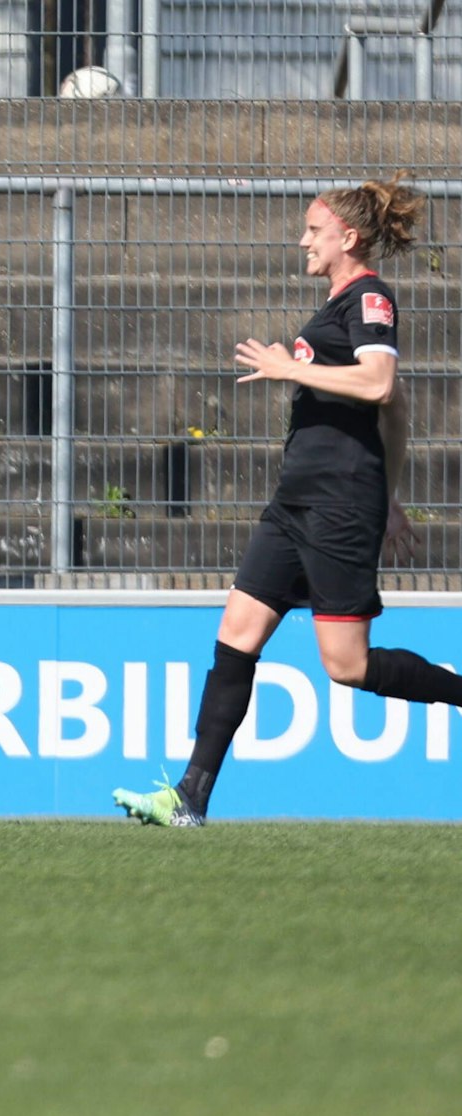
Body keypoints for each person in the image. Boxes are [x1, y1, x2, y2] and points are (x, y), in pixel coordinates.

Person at [114, 174, 462, 827]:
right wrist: (391, 494)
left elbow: (382, 385)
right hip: (293, 503)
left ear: (346, 238)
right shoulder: (330, 308)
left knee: (346, 667)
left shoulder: (369, 299)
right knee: (235, 637)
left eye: (313, 230)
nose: (303, 240)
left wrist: (290, 370)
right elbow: (395, 408)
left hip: (337, 504)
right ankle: (189, 798)